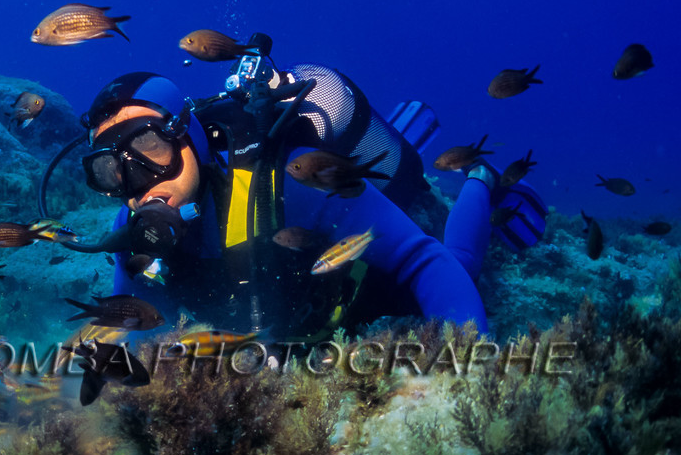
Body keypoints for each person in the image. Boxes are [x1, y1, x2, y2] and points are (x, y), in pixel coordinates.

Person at [48, 49, 538, 340]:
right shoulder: (132, 236)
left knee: (460, 267)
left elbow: (421, 260)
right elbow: (143, 331)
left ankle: (479, 178)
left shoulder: (281, 182)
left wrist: (468, 364)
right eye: (112, 171)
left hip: (359, 294)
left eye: (150, 147)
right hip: (284, 335)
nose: (140, 184)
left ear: (189, 134)